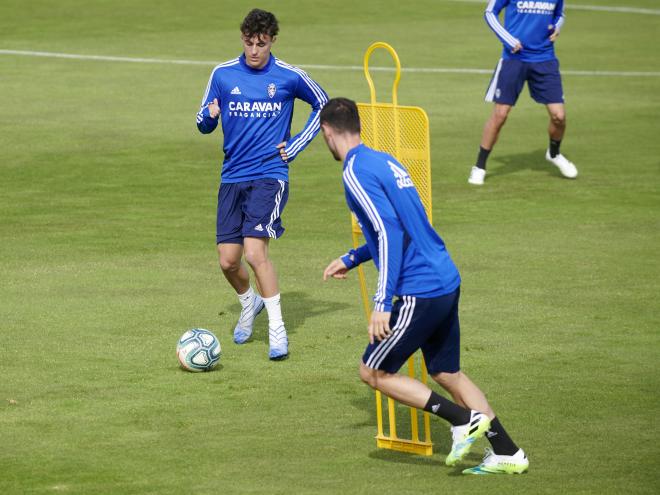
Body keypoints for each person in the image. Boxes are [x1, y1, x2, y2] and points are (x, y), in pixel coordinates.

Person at [320, 98, 528, 474]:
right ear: (359, 127)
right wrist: (352, 257)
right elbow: (404, 224)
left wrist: (382, 302)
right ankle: (508, 452)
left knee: (372, 371)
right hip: (445, 277)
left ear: (327, 133)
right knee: (447, 374)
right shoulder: (385, 161)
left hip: (420, 288)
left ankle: (461, 419)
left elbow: (388, 232)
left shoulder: (354, 172)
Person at [196, 9, 328, 360]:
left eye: (262, 44)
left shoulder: (288, 76)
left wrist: (297, 143)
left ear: (272, 41)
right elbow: (202, 121)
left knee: (255, 253)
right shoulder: (223, 75)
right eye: (249, 43)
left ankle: (277, 330)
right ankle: (249, 302)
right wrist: (209, 117)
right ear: (242, 39)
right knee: (228, 261)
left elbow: (324, 105)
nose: (255, 50)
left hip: (270, 175)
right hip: (232, 177)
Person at [468, 0, 578, 185]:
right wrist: (508, 39)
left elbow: (560, 14)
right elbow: (490, 13)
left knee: (559, 116)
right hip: (514, 59)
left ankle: (553, 153)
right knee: (500, 115)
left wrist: (557, 27)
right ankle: (479, 166)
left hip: (545, 60)